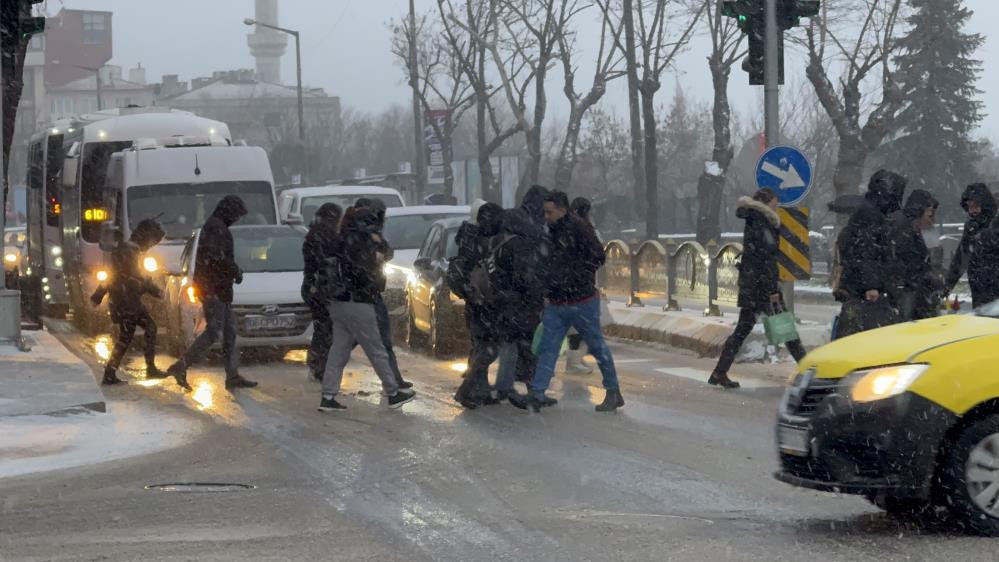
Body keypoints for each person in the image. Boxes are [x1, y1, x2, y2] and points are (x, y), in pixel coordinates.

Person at [529, 190, 623, 413]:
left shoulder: (579, 228)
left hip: (581, 300)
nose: (546, 216)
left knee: (597, 347)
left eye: (549, 212)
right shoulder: (549, 231)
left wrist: (575, 275)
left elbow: (598, 256)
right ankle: (537, 392)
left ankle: (613, 390)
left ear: (562, 210)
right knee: (548, 348)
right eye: (544, 212)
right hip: (557, 300)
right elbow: (543, 261)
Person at [318, 207, 416, 412]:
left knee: (338, 350)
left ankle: (328, 395)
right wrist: (377, 256)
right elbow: (366, 272)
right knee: (377, 350)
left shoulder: (338, 240)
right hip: (360, 303)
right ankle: (393, 392)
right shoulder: (361, 244)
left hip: (338, 302)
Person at [708, 189, 807, 389]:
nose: (776, 207)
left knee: (743, 330)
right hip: (763, 287)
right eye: (774, 203)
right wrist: (772, 289)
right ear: (765, 202)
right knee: (786, 330)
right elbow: (764, 259)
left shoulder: (755, 218)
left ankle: (719, 372)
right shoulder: (762, 221)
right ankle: (809, 371)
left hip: (752, 286)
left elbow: (757, 257)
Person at [167, 196, 257, 391]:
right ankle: (182, 365)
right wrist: (235, 271)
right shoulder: (217, 229)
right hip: (215, 290)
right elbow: (219, 259)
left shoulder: (214, 227)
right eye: (236, 215)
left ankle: (232, 375)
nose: (236, 220)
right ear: (229, 212)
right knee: (214, 332)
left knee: (228, 333)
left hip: (216, 289)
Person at [90, 219, 166, 385]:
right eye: (152, 241)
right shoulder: (129, 251)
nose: (151, 246)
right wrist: (154, 289)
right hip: (127, 302)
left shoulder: (128, 249)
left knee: (129, 336)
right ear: (146, 237)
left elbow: (112, 277)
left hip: (125, 300)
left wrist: (98, 295)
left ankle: (111, 372)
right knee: (141, 331)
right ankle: (147, 368)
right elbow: (133, 278)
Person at [835, 170, 907, 339]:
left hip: (857, 283)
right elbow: (867, 251)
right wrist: (871, 285)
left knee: (856, 328)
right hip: (862, 287)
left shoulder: (867, 211)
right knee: (864, 330)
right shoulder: (871, 215)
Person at [449, 200, 506, 409]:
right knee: (490, 347)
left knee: (480, 345)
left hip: (474, 299)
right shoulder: (484, 240)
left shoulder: (468, 236)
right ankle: (467, 389)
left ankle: (479, 390)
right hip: (486, 301)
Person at [353, 198, 413, 390]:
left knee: (371, 341)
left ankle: (393, 379)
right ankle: (392, 381)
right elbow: (363, 260)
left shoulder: (367, 233)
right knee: (378, 342)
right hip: (363, 295)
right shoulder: (357, 234)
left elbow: (387, 252)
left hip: (367, 293)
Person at [497, 185, 551, 389]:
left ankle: (503, 387)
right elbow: (534, 268)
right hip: (526, 297)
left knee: (509, 344)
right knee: (530, 343)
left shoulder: (508, 220)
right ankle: (532, 387)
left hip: (503, 295)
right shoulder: (534, 232)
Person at [301, 203, 342, 382]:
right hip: (323, 288)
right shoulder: (326, 235)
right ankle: (320, 365)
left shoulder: (313, 234)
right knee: (326, 328)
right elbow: (324, 262)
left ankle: (317, 363)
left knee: (321, 327)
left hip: (314, 287)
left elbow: (311, 264)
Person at [888, 189, 942, 321]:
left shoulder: (918, 232)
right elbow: (902, 266)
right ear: (918, 213)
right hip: (907, 292)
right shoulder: (902, 234)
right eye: (930, 216)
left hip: (915, 291)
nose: (933, 221)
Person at [946, 183, 999, 309]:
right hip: (979, 294)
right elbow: (961, 257)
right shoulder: (971, 227)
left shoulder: (996, 225)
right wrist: (948, 284)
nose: (972, 211)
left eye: (975, 206)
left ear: (985, 205)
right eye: (968, 207)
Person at [563, 197, 599, 375]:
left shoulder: (565, 227)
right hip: (579, 286)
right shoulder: (584, 229)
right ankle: (573, 361)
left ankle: (572, 359)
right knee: (575, 327)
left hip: (570, 286)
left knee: (569, 328)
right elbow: (596, 256)